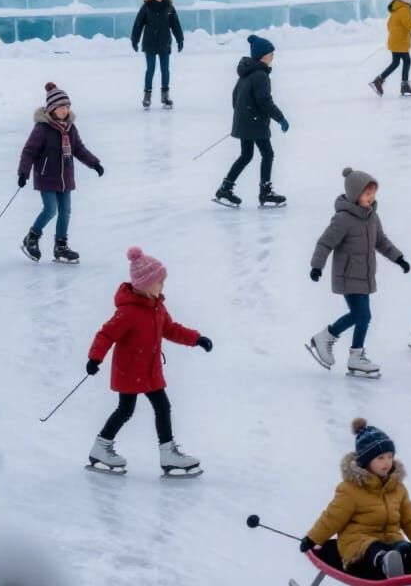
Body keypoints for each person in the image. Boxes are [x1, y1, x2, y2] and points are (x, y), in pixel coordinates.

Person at [85, 245, 209, 476]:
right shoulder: (128, 312)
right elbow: (106, 334)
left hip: (150, 370)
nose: (162, 286)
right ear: (144, 284)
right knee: (125, 410)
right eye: (159, 282)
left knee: (163, 406)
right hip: (130, 370)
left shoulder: (157, 307)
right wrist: (95, 358)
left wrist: (197, 339)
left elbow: (170, 329)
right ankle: (101, 447)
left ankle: (168, 453)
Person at [301, 419, 411, 580]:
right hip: (357, 543)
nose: (387, 462)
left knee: (401, 546)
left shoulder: (397, 488)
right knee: (373, 548)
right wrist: (312, 539)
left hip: (391, 540)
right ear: (366, 461)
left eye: (389, 457)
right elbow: (332, 517)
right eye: (380, 458)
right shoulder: (351, 489)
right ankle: (384, 561)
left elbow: (410, 518)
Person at [306, 168, 408, 380]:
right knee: (362, 315)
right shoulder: (343, 218)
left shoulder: (372, 217)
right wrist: (317, 266)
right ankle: (327, 338)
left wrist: (398, 258)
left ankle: (355, 355)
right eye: (367, 194)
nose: (371, 198)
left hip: (365, 274)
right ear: (355, 194)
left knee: (363, 317)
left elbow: (381, 241)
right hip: (347, 275)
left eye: (373, 194)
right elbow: (325, 243)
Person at [18, 81, 104, 263]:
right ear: (51, 109)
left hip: (66, 177)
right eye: (61, 107)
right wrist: (23, 173)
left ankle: (61, 246)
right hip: (46, 176)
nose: (65, 110)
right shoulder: (42, 129)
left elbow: (79, 149)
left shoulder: (70, 128)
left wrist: (94, 163)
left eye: (67, 106)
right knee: (50, 209)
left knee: (65, 211)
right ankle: (31, 238)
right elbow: (29, 151)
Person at [215, 34, 288, 208]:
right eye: (270, 54)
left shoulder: (246, 73)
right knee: (267, 154)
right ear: (263, 56)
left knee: (246, 155)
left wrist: (243, 115)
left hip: (246, 121)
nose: (272, 57)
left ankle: (225, 188)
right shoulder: (260, 75)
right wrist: (281, 118)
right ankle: (265, 192)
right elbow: (264, 101)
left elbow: (235, 97)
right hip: (254, 122)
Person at [130, 0, 183, 110]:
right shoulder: (146, 7)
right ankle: (147, 96)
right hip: (150, 44)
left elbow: (175, 25)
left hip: (164, 43)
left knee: (165, 70)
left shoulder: (169, 7)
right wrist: (134, 40)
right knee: (150, 70)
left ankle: (165, 96)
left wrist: (180, 39)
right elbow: (138, 24)